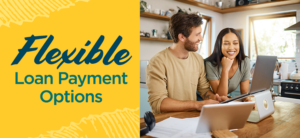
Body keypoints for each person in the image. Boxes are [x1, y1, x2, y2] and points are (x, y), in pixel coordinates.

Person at [146, 13, 228, 115]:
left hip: (191, 119)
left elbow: (204, 90)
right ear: (182, 37)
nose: (201, 38)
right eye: (197, 34)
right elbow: (158, 103)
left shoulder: (198, 59)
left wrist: (216, 99)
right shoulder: (157, 62)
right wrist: (197, 105)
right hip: (166, 122)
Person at [205, 28, 252, 102]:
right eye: (226, 43)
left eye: (235, 43)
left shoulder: (245, 62)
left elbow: (244, 92)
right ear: (219, 45)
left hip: (221, 103)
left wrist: (246, 99)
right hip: (204, 101)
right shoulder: (210, 64)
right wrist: (225, 69)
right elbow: (221, 97)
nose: (231, 47)